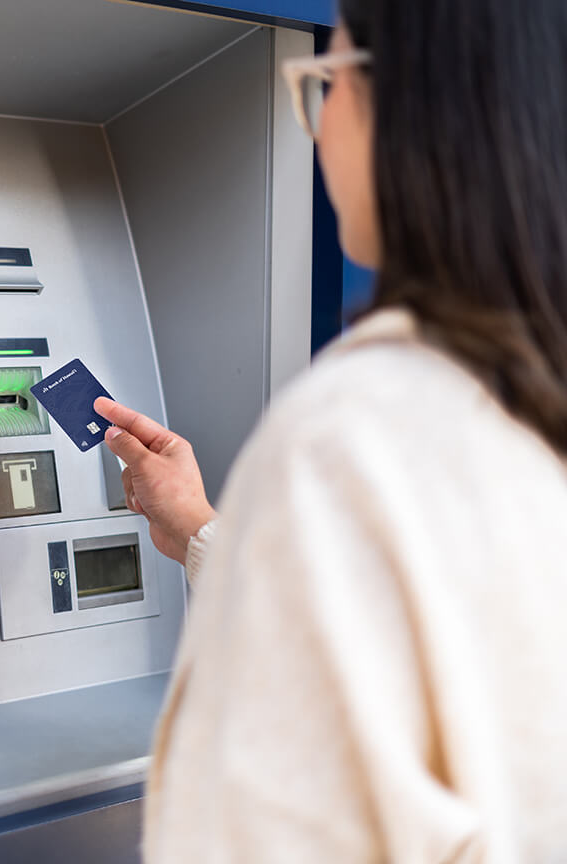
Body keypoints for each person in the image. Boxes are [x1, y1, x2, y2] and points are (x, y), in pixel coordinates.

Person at [94, 0, 567, 860]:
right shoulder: (525, 411)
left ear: (418, 110)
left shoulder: (357, 430)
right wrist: (203, 533)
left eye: (327, 82)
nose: (318, 127)